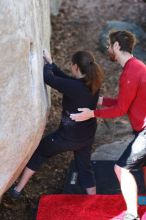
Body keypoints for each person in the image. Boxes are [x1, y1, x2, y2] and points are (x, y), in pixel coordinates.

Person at [70, 30, 146, 220]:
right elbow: (126, 102)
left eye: (110, 45)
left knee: (122, 168)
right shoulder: (136, 67)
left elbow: (120, 110)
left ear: (118, 46)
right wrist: (101, 100)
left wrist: (91, 114)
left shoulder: (130, 72)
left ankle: (131, 215)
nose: (108, 49)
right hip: (141, 129)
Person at [9, 50, 104, 198]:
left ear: (76, 67)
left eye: (71, 65)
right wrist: (51, 64)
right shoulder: (93, 84)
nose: (70, 68)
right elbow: (66, 80)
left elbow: (49, 78)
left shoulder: (74, 87)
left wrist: (46, 67)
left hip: (66, 138)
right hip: (86, 137)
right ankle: (94, 199)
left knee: (40, 151)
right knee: (84, 168)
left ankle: (17, 190)